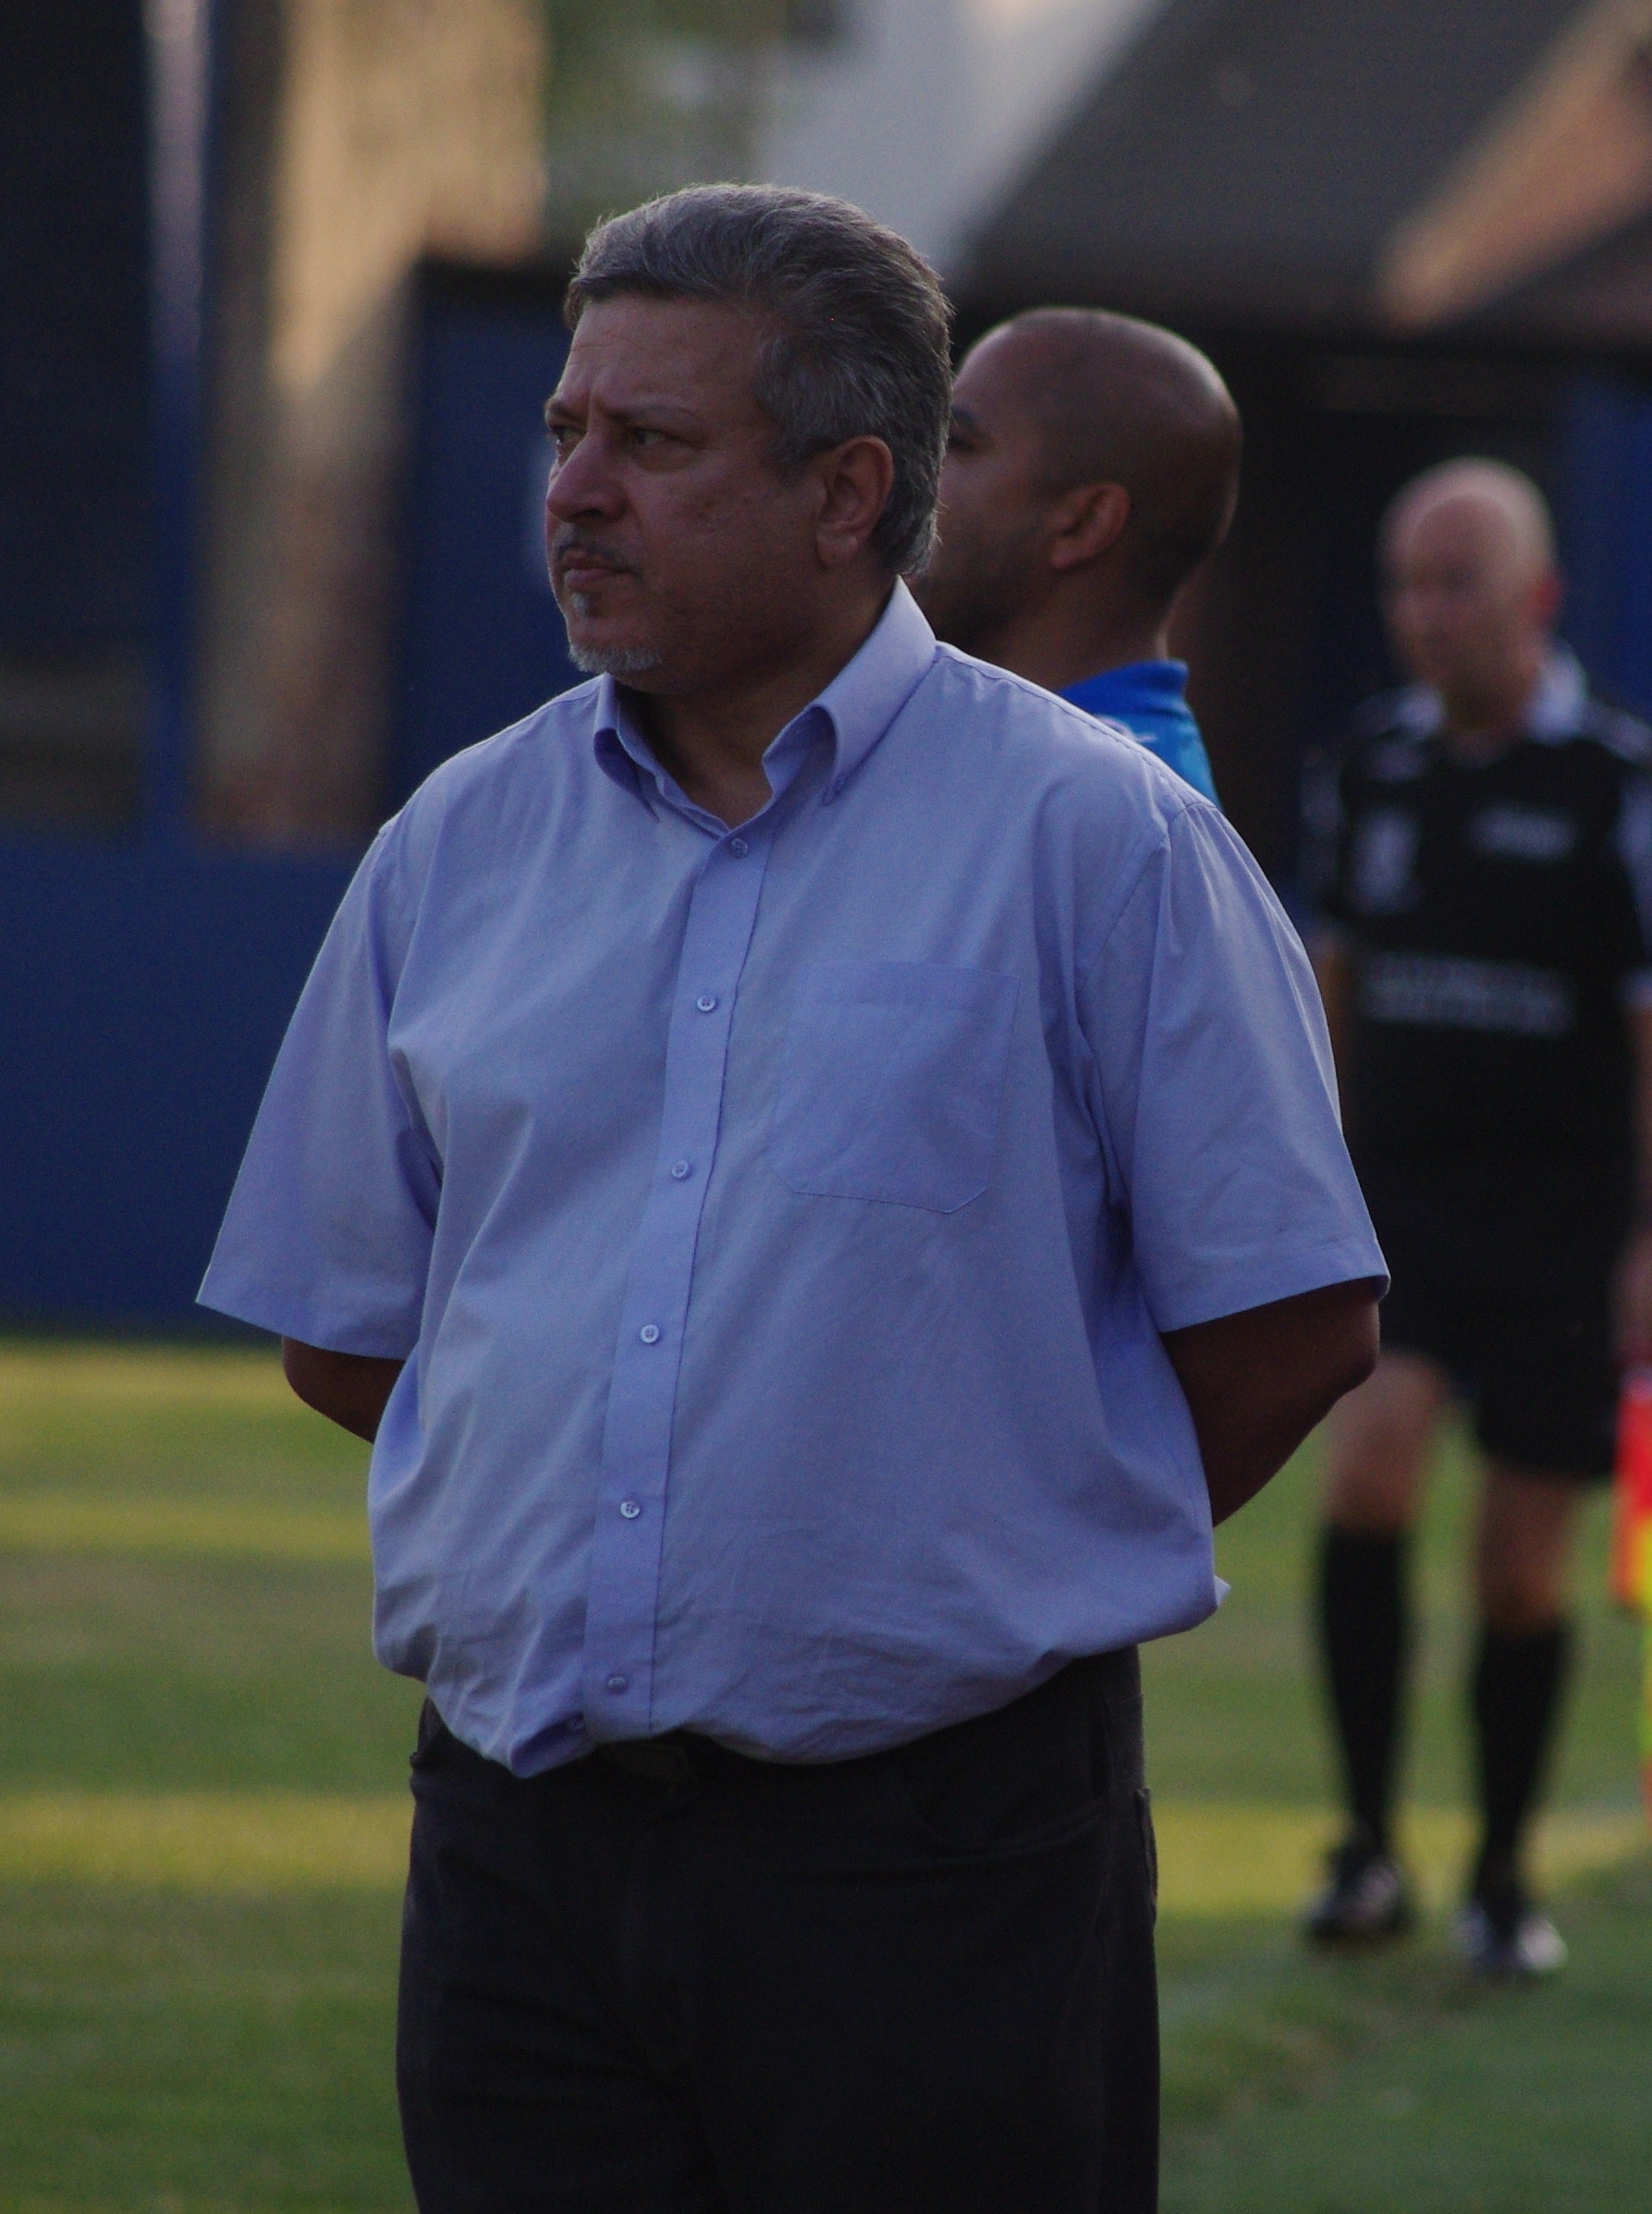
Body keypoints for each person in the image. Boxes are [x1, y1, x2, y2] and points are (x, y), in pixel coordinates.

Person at [201, 184, 1383, 2214]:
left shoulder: (1097, 841)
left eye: (652, 442)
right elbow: (353, 1330)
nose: (577, 492)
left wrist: (960, 1553)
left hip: (939, 1863)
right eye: (568, 430)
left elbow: (1286, 1325)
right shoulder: (456, 845)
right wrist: (628, 1529)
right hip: (521, 1852)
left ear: (848, 492)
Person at [1303, 458, 1652, 1977]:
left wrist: (1644, 1237)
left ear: (1538, 598)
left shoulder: (1613, 785)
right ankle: (1364, 1847)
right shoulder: (1366, 767)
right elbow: (1329, 984)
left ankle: (1500, 1879)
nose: (1422, 614)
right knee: (1366, 1469)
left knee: (1519, 1566)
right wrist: (1301, 1176)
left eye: (1455, 583)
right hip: (1401, 1207)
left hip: (1561, 1226)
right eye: (1403, 583)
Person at [913, 305, 1238, 801]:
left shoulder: (1112, 810)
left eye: (957, 443)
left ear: (1084, 523)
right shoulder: (1008, 754)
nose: (911, 474)